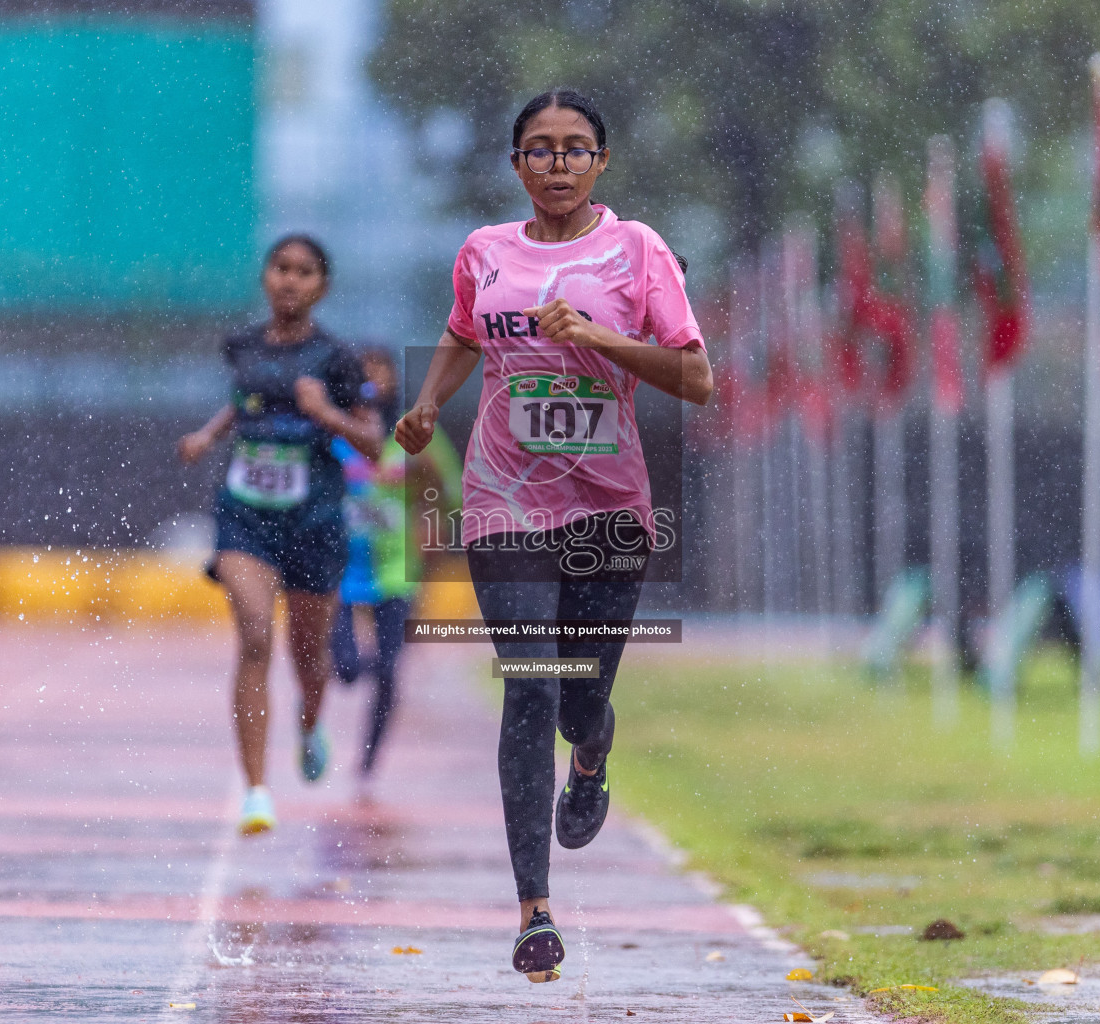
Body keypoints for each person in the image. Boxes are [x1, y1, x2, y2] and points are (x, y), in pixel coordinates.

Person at [394, 89, 713, 983]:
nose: (559, 163)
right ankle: (534, 910)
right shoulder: (485, 254)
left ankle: (595, 752)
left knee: (578, 704)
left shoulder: (638, 250)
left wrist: (601, 337)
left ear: (600, 163)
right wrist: (427, 405)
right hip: (505, 506)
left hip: (609, 512)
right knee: (531, 686)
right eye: (541, 149)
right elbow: (462, 333)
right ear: (517, 165)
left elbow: (697, 379)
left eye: (576, 149)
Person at [178, 234, 384, 837]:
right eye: (280, 268)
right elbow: (247, 405)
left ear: (322, 286)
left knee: (308, 656)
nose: (289, 280)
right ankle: (257, 791)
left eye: (304, 272)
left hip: (315, 520)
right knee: (256, 636)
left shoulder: (338, 359)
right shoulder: (239, 345)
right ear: (266, 276)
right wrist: (207, 436)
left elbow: (374, 443)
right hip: (245, 515)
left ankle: (310, 721)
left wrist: (329, 417)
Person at [330, 347, 460, 781]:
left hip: (396, 570)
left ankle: (369, 757)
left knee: (387, 671)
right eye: (363, 374)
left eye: (380, 374)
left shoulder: (414, 432)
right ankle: (319, 673)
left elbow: (448, 495)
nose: (373, 383)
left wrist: (431, 514)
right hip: (339, 569)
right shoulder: (332, 430)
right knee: (347, 669)